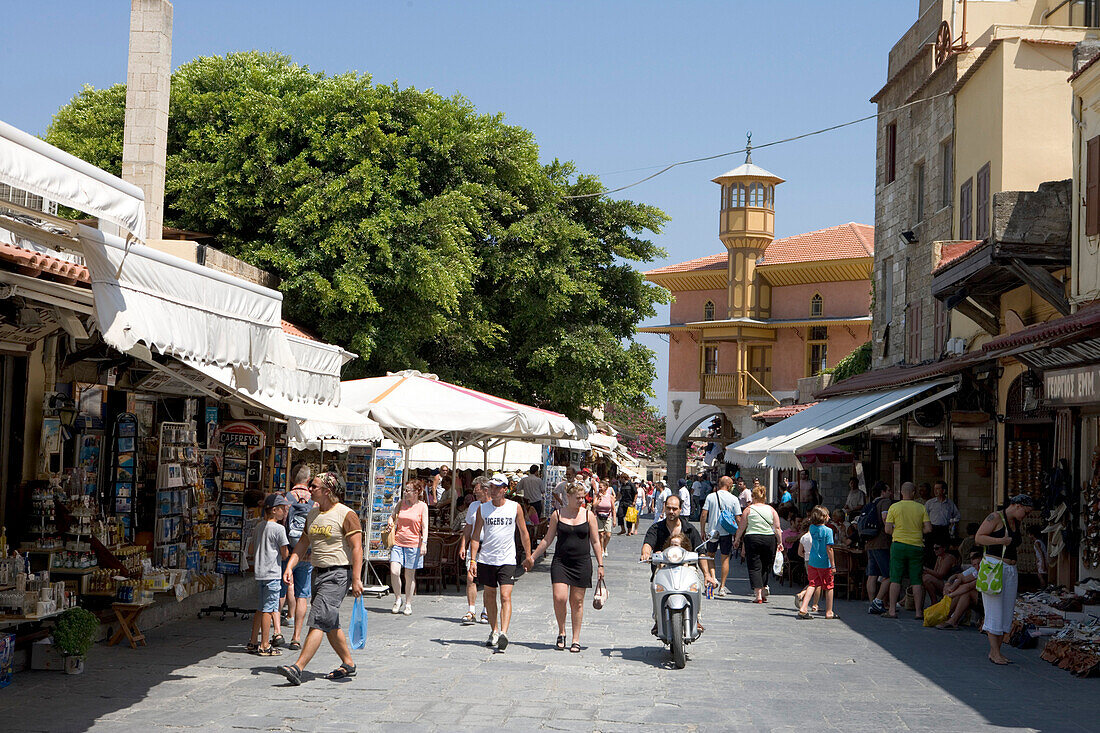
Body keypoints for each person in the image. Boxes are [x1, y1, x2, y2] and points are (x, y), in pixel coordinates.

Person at [278, 472, 364, 685]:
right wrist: (290, 565)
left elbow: (357, 548)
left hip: (337, 574)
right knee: (329, 623)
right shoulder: (312, 514)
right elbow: (302, 544)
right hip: (318, 574)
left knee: (317, 621)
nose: (309, 490)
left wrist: (356, 579)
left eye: (314, 487)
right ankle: (348, 663)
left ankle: (298, 667)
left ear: (327, 491)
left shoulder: (346, 514)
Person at [525, 481, 604, 652]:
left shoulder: (589, 515)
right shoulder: (557, 515)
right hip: (561, 562)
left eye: (583, 498)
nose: (581, 501)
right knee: (559, 597)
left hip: (581, 562)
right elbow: (547, 539)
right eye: (578, 498)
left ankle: (576, 638)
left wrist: (600, 564)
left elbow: (596, 541)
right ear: (567, 497)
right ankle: (561, 632)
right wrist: (532, 557)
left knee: (577, 602)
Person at [469, 473, 533, 652]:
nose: (494, 490)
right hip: (487, 558)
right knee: (489, 596)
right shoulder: (484, 509)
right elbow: (475, 535)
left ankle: (504, 632)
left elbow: (523, 532)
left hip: (507, 558)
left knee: (505, 595)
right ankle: (494, 630)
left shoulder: (515, 507)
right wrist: (473, 559)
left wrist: (528, 556)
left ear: (505, 489)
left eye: (498, 487)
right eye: (492, 487)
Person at [976, 494, 1036, 665]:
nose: (1027, 516)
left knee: (1006, 611)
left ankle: (997, 651)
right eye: (1026, 511)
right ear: (1017, 505)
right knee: (994, 610)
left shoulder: (1016, 522)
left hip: (1010, 569)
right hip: (995, 567)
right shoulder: (995, 517)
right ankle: (994, 652)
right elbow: (979, 537)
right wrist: (1001, 540)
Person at [640, 494, 704, 634]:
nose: (671, 511)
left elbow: (701, 553)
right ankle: (658, 619)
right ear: (664, 508)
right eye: (668, 508)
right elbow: (648, 543)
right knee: (654, 585)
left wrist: (709, 575)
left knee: (697, 585)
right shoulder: (656, 528)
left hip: (687, 567)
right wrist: (646, 552)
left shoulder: (690, 529)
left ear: (680, 509)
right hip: (663, 567)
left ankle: (697, 618)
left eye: (674, 508)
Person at [248, 493, 291, 656]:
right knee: (269, 608)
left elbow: (251, 549)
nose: (284, 512)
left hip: (260, 572)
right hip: (272, 572)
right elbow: (285, 553)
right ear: (274, 510)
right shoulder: (279, 529)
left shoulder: (259, 526)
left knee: (260, 608)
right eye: (282, 509)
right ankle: (265, 644)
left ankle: (253, 641)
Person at [884, 482, 932, 619]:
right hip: (916, 545)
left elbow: (887, 530)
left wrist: (898, 532)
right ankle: (918, 612)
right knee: (916, 579)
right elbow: (928, 529)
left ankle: (892, 610)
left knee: (895, 578)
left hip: (898, 544)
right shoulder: (921, 507)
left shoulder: (894, 507)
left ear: (901, 493)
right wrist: (917, 531)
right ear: (914, 493)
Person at [733, 484, 783, 603]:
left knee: (754, 566)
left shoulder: (748, 510)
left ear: (753, 497)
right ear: (764, 497)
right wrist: (780, 542)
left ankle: (758, 595)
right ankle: (763, 589)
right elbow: (777, 527)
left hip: (752, 538)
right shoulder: (771, 510)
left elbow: (741, 527)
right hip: (768, 539)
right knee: (766, 565)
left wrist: (737, 539)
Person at [283, 467, 315, 651]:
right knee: (303, 594)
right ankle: (296, 637)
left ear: (291, 478)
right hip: (307, 554)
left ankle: (277, 631)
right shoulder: (314, 500)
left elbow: (282, 523)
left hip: (287, 551)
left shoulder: (287, 497)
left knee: (282, 589)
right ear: (309, 479)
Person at [387, 480, 429, 616]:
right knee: (394, 571)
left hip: (413, 544)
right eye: (405, 490)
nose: (405, 493)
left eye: (408, 490)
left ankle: (408, 603)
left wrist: (424, 543)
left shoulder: (422, 506)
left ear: (416, 492)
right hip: (398, 542)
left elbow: (425, 527)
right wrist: (390, 522)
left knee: (409, 576)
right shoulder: (401, 504)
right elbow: (392, 516)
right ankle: (398, 598)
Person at [699, 476, 741, 595]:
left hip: (713, 532)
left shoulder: (711, 497)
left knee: (710, 556)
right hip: (726, 532)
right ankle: (722, 587)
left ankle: (713, 577)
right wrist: (739, 534)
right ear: (729, 486)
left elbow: (703, 514)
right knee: (725, 558)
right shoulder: (734, 499)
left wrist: (702, 530)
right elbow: (738, 517)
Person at [797, 506, 837, 619]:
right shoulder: (828, 531)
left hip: (813, 561)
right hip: (825, 562)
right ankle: (829, 611)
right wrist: (833, 564)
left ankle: (803, 607)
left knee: (812, 584)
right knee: (829, 586)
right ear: (824, 517)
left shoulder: (812, 528)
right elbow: (829, 549)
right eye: (828, 515)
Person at [459, 477, 489, 623]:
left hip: (489, 546)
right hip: (474, 545)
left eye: (477, 491)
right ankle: (471, 610)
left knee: (487, 580)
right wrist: (463, 545)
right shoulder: (473, 506)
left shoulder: (493, 506)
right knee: (471, 577)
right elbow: (468, 527)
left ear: (486, 490)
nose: (475, 494)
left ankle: (486, 610)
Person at [936, 550, 983, 630]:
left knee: (966, 592)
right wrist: (950, 587)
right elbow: (961, 578)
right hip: (979, 599)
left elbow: (969, 586)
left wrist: (950, 594)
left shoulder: (985, 572)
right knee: (961, 589)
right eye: (975, 565)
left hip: (986, 602)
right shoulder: (976, 571)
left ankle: (951, 620)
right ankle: (946, 617)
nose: (977, 567)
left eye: (979, 564)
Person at [925, 480, 961, 547]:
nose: (935, 491)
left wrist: (951, 521)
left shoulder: (950, 503)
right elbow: (924, 516)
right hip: (932, 530)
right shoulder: (929, 503)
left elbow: (958, 516)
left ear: (944, 490)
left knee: (944, 549)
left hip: (944, 530)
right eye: (934, 489)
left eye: (938, 489)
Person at [592, 479, 617, 557]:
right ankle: (602, 549)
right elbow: (594, 506)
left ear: (606, 487)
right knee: (601, 534)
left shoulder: (610, 497)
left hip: (608, 516)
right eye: (599, 487)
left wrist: (614, 520)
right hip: (598, 516)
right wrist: (599, 500)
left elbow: (613, 509)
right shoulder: (597, 496)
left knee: (608, 534)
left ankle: (605, 547)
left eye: (601, 487)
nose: (599, 488)